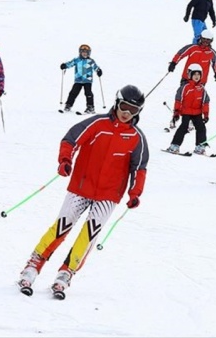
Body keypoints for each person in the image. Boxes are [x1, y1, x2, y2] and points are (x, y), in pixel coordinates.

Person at [17, 85, 149, 297]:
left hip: (109, 195)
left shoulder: (136, 137)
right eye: (124, 106)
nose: (127, 113)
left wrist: (135, 194)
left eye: (133, 110)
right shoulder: (98, 123)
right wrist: (65, 160)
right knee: (62, 227)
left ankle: (66, 272)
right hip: (81, 187)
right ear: (117, 102)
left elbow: (139, 168)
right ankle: (34, 264)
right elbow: (70, 140)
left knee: (89, 234)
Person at [166, 64, 211, 156]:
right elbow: (178, 100)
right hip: (186, 112)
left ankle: (200, 146)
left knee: (201, 128)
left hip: (197, 112)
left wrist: (206, 115)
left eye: (198, 74)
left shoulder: (202, 89)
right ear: (190, 75)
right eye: (194, 74)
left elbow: (205, 102)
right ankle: (174, 146)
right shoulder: (184, 88)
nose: (197, 76)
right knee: (183, 127)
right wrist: (176, 113)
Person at [60, 44, 102, 114]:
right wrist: (65, 65)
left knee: (88, 93)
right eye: (83, 52)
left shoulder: (91, 61)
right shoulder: (77, 60)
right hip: (78, 80)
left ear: (89, 53)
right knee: (73, 92)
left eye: (86, 53)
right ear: (80, 52)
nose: (85, 54)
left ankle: (90, 107)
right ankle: (68, 105)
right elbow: (70, 63)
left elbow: (95, 67)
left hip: (87, 80)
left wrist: (98, 71)